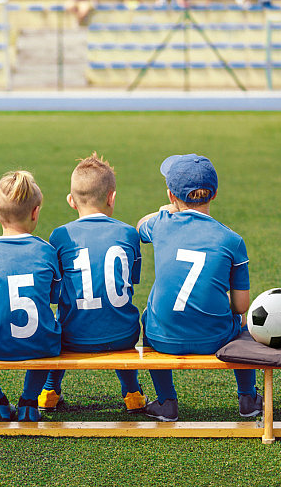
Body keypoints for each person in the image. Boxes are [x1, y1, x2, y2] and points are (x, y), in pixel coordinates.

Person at [136, 154, 262, 422]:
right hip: (215, 338)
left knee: (148, 314)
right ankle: (248, 398)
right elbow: (241, 306)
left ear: (171, 195)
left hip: (162, 338)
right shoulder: (232, 240)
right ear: (213, 195)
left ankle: (167, 401)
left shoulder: (160, 224)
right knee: (242, 321)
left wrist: (165, 211)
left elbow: (139, 227)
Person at [38, 154, 146, 414]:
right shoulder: (128, 233)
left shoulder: (60, 235)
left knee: (58, 320)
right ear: (112, 197)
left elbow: (56, 290)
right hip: (123, 336)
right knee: (118, 314)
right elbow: (132, 281)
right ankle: (132, 393)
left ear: (71, 201)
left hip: (74, 336)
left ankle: (49, 391)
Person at [0, 170, 62, 422]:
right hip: (41, 345)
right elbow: (53, 298)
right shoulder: (46, 251)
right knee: (52, 325)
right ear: (35, 212)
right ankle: (30, 401)